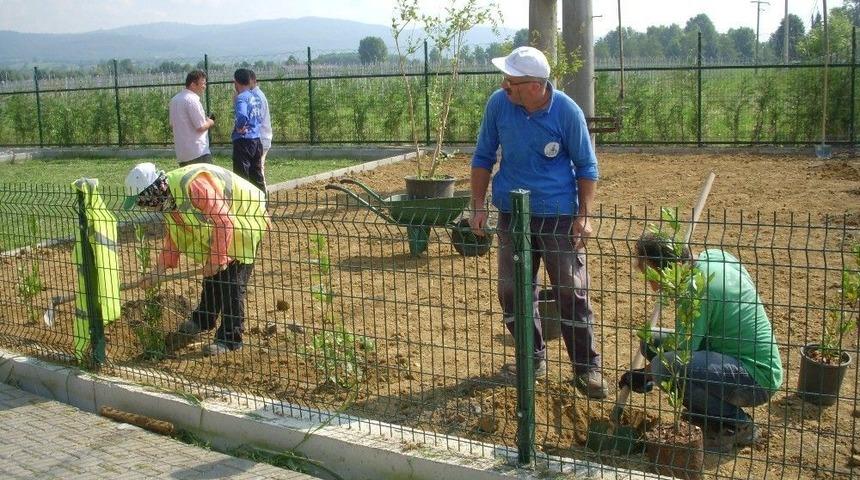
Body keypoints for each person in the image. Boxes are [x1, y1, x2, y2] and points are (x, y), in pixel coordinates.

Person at [468, 46, 607, 399]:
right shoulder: (499, 105)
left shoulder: (566, 112)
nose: (504, 85)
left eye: (511, 81)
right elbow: (483, 157)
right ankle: (531, 358)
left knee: (570, 290)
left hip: (558, 216)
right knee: (512, 290)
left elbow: (587, 168)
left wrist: (584, 216)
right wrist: (478, 206)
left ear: (533, 86)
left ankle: (586, 367)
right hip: (513, 215)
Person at [621, 232, 784, 453]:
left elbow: (684, 351)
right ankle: (702, 411)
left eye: (650, 275)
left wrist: (645, 374)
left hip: (755, 377)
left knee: (662, 366)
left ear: (664, 268)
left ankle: (739, 424)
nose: (652, 286)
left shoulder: (694, 289)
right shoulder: (715, 257)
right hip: (731, 355)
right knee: (650, 341)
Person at [122, 162, 268, 356]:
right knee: (213, 278)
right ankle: (203, 320)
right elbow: (175, 237)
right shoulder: (168, 201)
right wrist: (157, 271)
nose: (145, 207)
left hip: (245, 220)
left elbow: (224, 220)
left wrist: (217, 258)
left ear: (152, 193)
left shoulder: (192, 185)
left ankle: (230, 338)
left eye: (142, 201)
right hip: (226, 227)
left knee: (231, 283)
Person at [168, 70, 215, 166]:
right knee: (204, 180)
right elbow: (200, 127)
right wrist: (210, 122)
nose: (204, 87)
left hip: (182, 153)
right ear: (193, 84)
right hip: (198, 152)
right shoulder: (192, 100)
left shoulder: (174, 100)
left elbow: (172, 124)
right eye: (203, 83)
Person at [231, 68, 265, 193]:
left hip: (243, 141)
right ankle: (262, 205)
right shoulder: (255, 96)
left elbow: (242, 115)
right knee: (257, 175)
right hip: (256, 140)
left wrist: (240, 127)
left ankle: (244, 207)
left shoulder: (241, 98)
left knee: (242, 177)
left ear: (236, 82)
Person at [249, 70, 273, 175]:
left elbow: (256, 119)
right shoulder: (254, 95)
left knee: (258, 169)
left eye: (247, 81)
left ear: (254, 81)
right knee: (257, 168)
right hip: (262, 137)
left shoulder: (256, 96)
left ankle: (261, 191)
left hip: (261, 138)